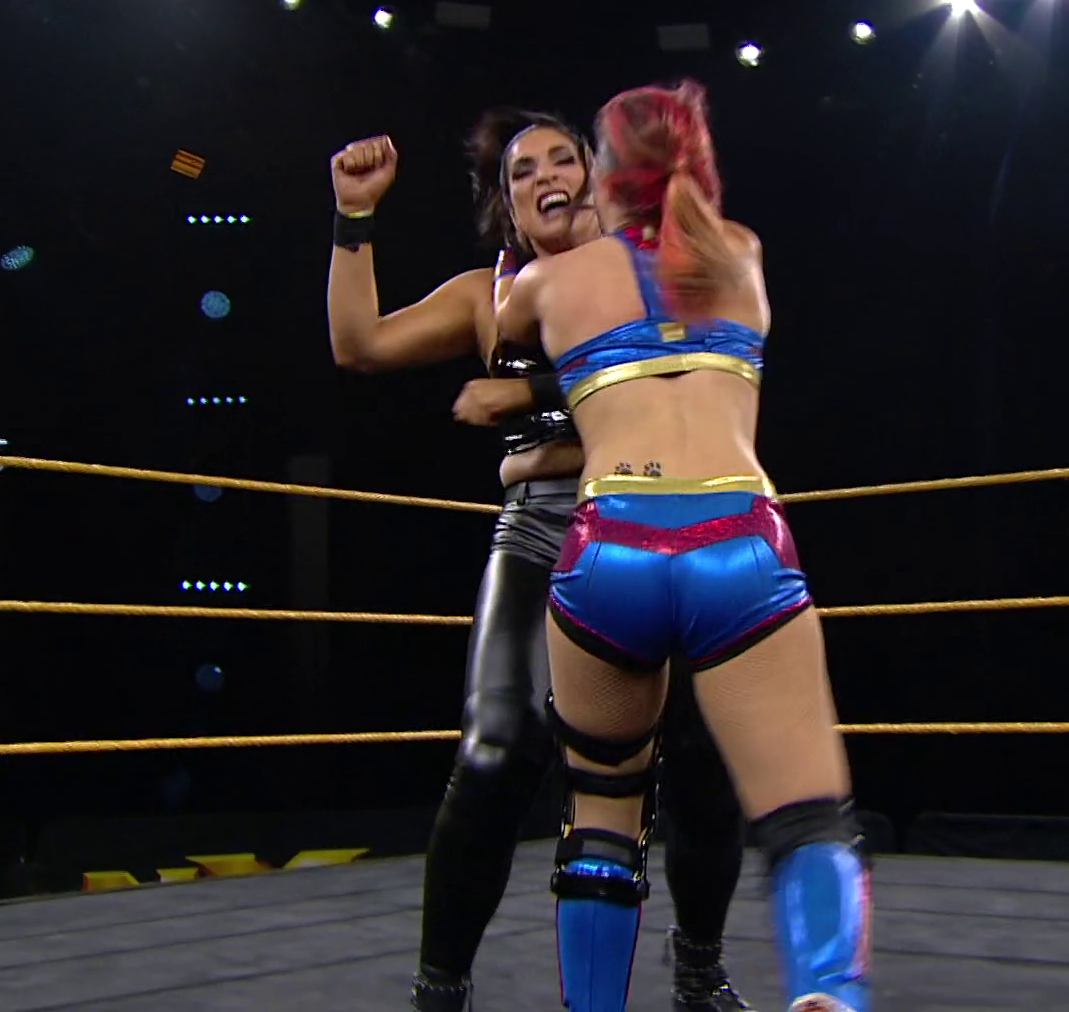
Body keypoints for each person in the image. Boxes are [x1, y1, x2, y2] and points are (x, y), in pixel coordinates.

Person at [327, 110, 754, 1012]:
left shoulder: (652, 270)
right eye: (524, 172)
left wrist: (522, 392)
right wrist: (353, 216)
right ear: (508, 205)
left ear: (601, 179)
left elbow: (698, 365)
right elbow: (357, 345)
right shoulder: (488, 296)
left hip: (659, 519)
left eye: (566, 159)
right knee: (496, 749)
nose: (549, 177)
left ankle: (698, 970)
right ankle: (439, 990)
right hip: (541, 529)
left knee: (705, 760)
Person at [497, 80, 870, 1012]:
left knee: (602, 814)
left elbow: (499, 339)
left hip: (609, 544)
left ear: (605, 175)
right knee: (806, 813)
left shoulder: (548, 282)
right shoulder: (740, 253)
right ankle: (828, 988)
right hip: (737, 540)